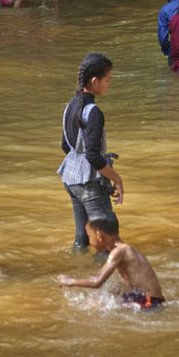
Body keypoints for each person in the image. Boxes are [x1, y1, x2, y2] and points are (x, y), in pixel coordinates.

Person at [57, 52, 123, 251]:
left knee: (82, 237)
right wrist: (117, 179)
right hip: (88, 184)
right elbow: (93, 156)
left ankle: (77, 270)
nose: (108, 84)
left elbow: (66, 146)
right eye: (107, 80)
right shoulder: (93, 112)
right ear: (95, 81)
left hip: (70, 179)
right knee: (106, 239)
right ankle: (103, 278)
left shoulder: (71, 105)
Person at [57, 216, 165, 309]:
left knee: (93, 305)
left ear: (99, 236)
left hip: (149, 302)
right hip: (153, 300)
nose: (89, 242)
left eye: (89, 236)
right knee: (97, 301)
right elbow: (130, 283)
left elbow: (97, 281)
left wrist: (69, 281)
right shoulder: (126, 248)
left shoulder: (118, 252)